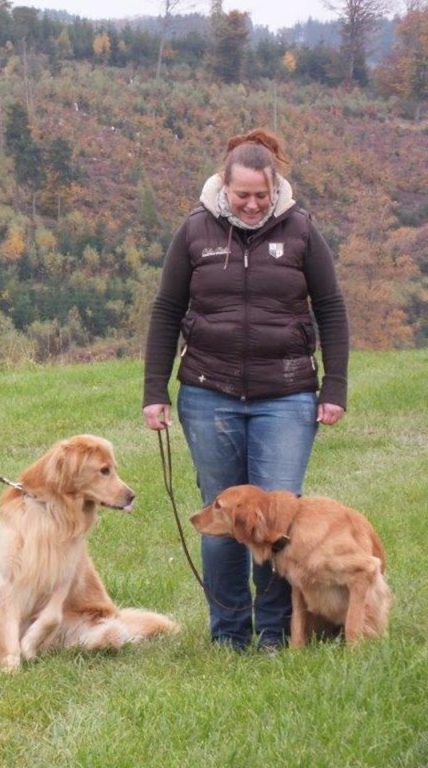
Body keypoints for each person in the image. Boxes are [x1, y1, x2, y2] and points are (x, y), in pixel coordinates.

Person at [142, 129, 349, 652]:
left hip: (287, 396)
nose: (253, 205)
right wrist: (154, 389)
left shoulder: (301, 229)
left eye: (261, 195)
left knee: (277, 522)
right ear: (224, 186)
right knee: (221, 518)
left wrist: (335, 386)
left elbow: (331, 308)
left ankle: (277, 634)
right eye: (242, 196)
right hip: (209, 393)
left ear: (275, 186)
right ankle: (229, 633)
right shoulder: (194, 231)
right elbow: (167, 311)